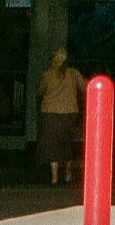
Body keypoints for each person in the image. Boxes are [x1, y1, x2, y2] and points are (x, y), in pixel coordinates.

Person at [37, 48, 86, 185]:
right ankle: (68, 174)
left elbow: (40, 91)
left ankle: (54, 177)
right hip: (69, 113)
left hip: (50, 113)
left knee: (52, 144)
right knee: (66, 143)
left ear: (53, 61)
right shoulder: (74, 74)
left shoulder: (48, 75)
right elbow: (84, 88)